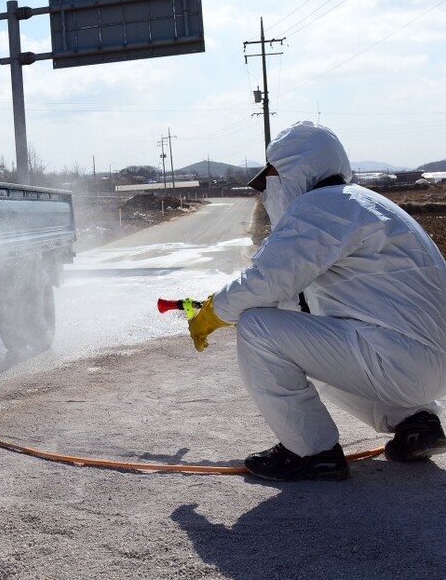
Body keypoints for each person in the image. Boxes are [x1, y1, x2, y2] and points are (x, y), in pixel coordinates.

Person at [187, 121, 446, 481]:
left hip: (399, 360)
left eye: (270, 177)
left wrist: (214, 313)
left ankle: (310, 452)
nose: (266, 189)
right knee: (304, 345)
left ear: (294, 171)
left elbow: (266, 282)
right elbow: (293, 299)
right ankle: (416, 422)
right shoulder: (368, 203)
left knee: (257, 329)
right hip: (426, 367)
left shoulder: (322, 207)